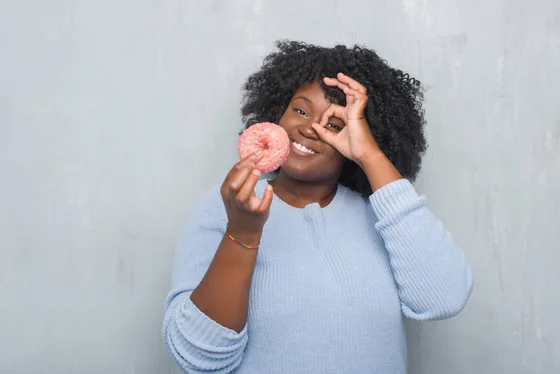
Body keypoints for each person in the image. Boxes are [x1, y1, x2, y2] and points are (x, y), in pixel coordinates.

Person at [162, 40, 473, 374]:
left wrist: (370, 155)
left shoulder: (382, 216)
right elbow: (197, 356)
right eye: (299, 110)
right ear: (275, 115)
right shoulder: (225, 207)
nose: (309, 127)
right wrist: (243, 234)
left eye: (334, 125)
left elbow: (443, 298)